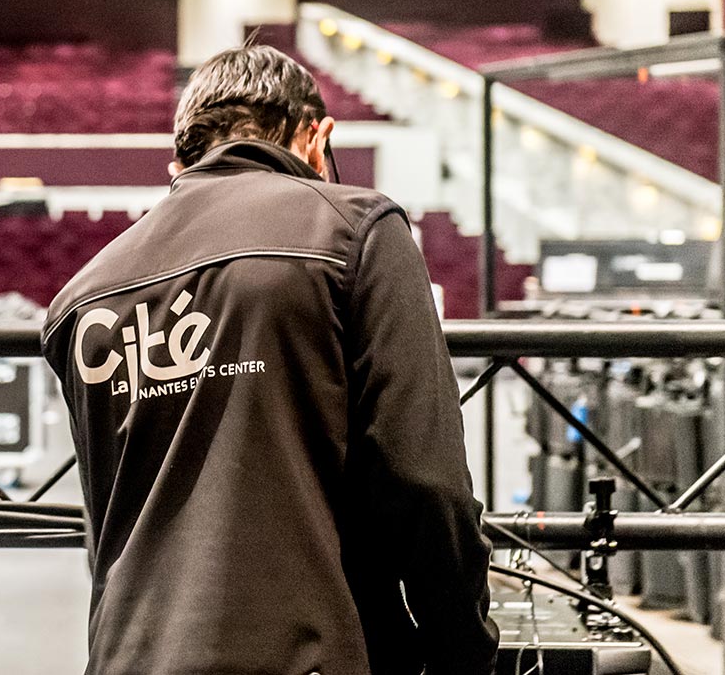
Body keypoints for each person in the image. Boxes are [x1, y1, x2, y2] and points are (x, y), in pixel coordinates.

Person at [41, 45, 497, 675]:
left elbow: (107, 530)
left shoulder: (83, 296)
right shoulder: (354, 230)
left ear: (181, 162)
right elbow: (424, 480)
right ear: (318, 138)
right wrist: (464, 650)